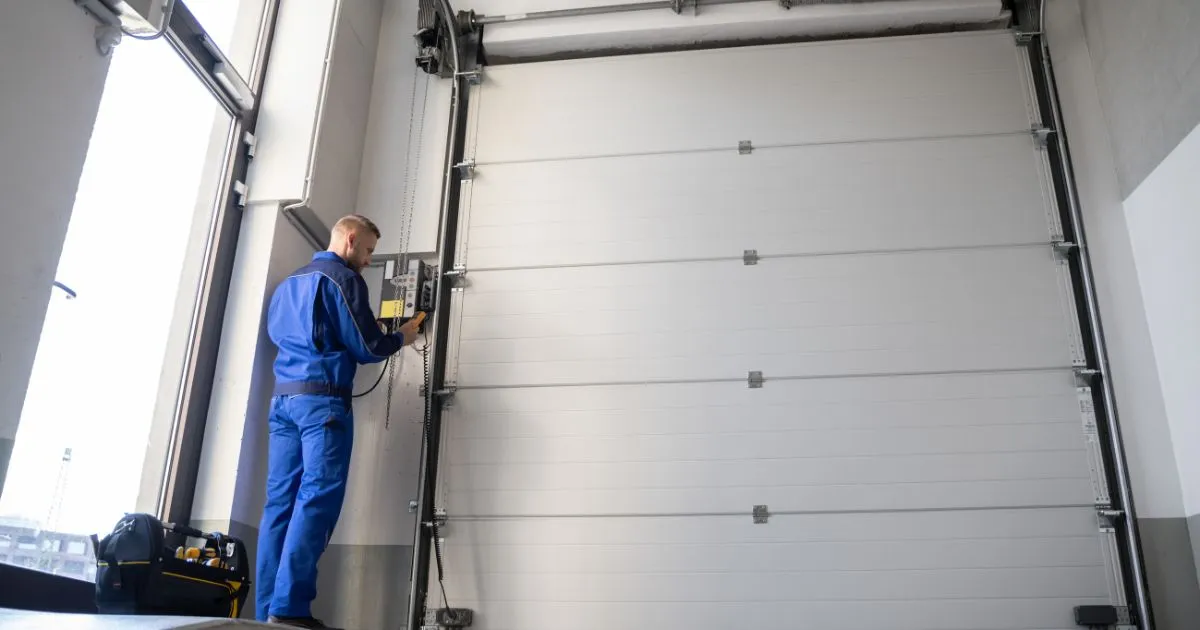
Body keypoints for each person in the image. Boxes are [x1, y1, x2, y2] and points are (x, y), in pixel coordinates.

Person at [256, 214, 423, 628]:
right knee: (316, 500)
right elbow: (368, 346)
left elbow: (293, 335)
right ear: (350, 239)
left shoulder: (288, 285)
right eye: (367, 250)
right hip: (322, 408)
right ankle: (289, 609)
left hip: (282, 402)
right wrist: (403, 335)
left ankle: (265, 614)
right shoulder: (341, 280)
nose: (367, 260)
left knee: (279, 505)